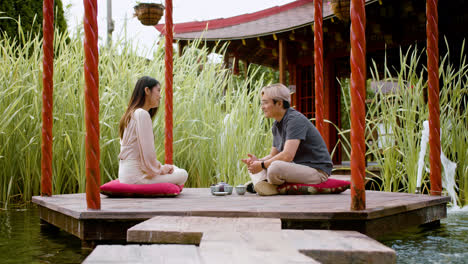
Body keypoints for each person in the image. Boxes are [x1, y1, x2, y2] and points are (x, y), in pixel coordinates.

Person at [241, 83, 332, 196]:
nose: (262, 107)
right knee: (258, 167)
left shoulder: (295, 120)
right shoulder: (276, 125)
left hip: (316, 171)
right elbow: (273, 155)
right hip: (296, 168)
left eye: (265, 103)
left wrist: (262, 164)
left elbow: (287, 156)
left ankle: (269, 187)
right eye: (262, 103)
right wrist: (258, 161)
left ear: (279, 103)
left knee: (274, 168)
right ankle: (266, 185)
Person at [118, 76, 188, 185]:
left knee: (173, 167)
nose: (160, 96)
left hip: (125, 175)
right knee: (183, 174)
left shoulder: (129, 115)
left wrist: (161, 168)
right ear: (147, 90)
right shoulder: (142, 114)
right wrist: (160, 170)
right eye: (158, 91)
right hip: (136, 178)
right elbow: (148, 155)